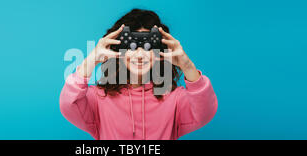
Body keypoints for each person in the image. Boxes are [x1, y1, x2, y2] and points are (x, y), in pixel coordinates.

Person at [59, 9, 218, 140]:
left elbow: (205, 112)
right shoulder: (98, 98)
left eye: (148, 47)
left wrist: (187, 65)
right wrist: (91, 59)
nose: (140, 55)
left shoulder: (174, 99)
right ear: (119, 50)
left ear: (159, 51)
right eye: (132, 47)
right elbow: (68, 106)